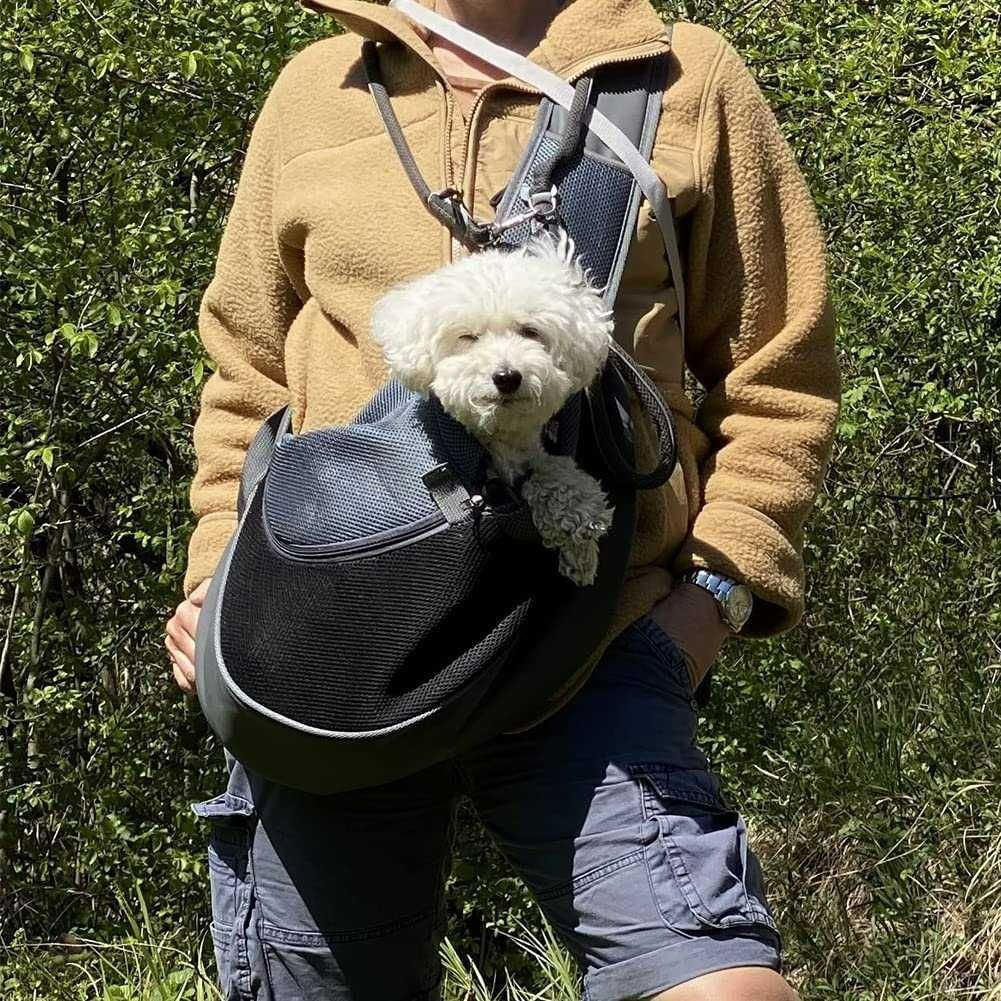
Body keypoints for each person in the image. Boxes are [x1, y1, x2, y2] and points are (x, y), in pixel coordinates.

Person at [165, 0, 840, 997]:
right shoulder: (319, 87)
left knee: (721, 985)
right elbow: (245, 373)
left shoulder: (681, 80)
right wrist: (219, 578)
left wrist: (714, 593)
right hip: (329, 647)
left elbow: (777, 373)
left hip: (598, 636)